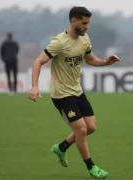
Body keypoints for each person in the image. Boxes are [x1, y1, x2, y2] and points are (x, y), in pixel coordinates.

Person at [27, 6, 119, 179]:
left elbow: (90, 59)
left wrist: (106, 62)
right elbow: (38, 62)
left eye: (88, 23)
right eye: (84, 23)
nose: (87, 26)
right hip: (62, 95)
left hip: (78, 92)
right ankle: (92, 167)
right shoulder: (59, 42)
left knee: (91, 127)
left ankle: (61, 147)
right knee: (81, 130)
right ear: (74, 22)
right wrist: (34, 85)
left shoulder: (85, 39)